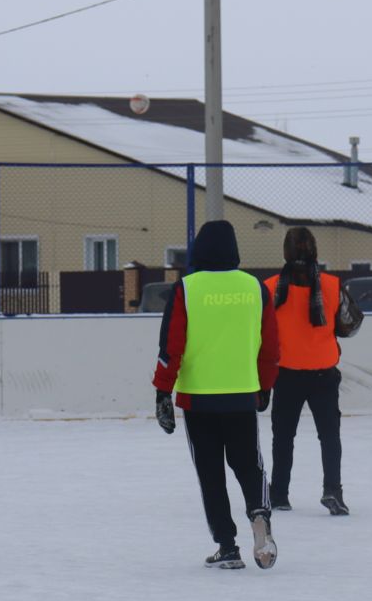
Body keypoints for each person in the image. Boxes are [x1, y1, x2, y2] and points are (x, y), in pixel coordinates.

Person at [151, 220, 281, 569]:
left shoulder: (187, 289)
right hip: (242, 394)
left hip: (199, 397)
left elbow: (171, 345)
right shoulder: (255, 288)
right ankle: (259, 513)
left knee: (211, 473)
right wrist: (265, 385)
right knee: (249, 465)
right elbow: (270, 346)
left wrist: (163, 391)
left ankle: (227, 546)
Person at [263, 227, 359, 516]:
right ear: (315, 251)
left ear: (286, 252)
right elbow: (349, 324)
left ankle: (279, 494)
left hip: (286, 373)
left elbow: (261, 332)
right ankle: (333, 491)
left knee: (283, 436)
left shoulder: (269, 288)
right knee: (329, 436)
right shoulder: (332, 285)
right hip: (323, 372)